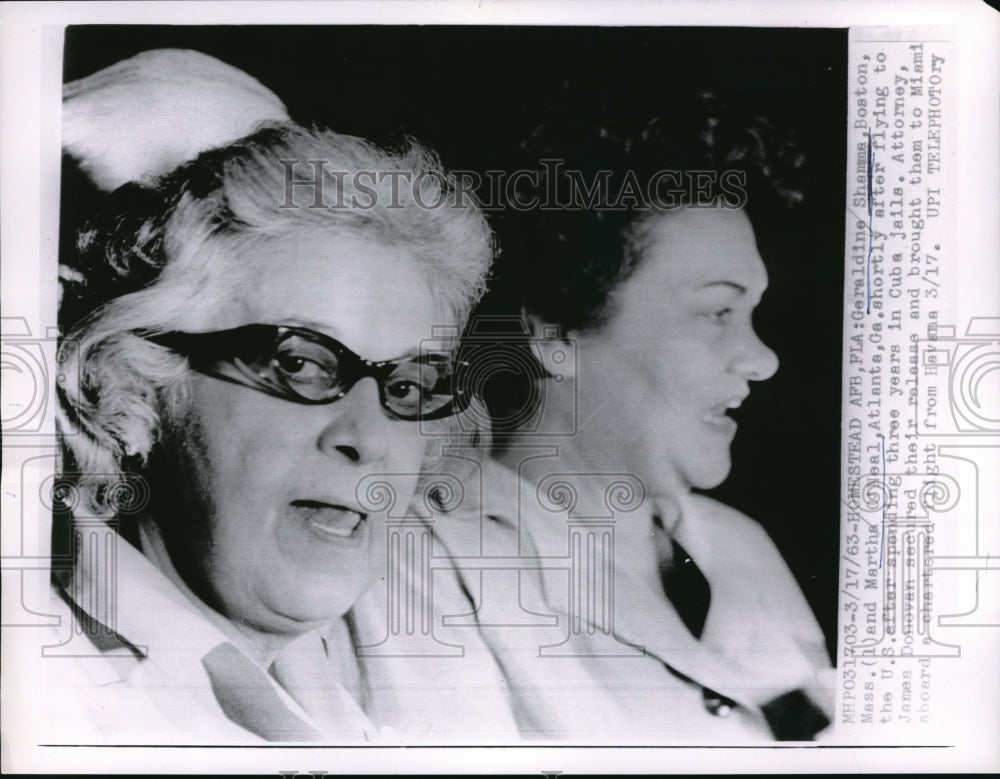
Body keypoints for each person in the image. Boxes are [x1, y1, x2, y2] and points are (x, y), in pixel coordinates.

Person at [47, 54, 502, 742]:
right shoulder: (56, 698)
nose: (368, 435)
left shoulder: (367, 699)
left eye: (407, 385)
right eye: (300, 363)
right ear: (134, 391)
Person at [454, 93, 836, 741]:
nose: (762, 359)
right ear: (555, 333)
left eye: (753, 315)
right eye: (718, 312)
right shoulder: (439, 564)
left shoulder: (740, 544)